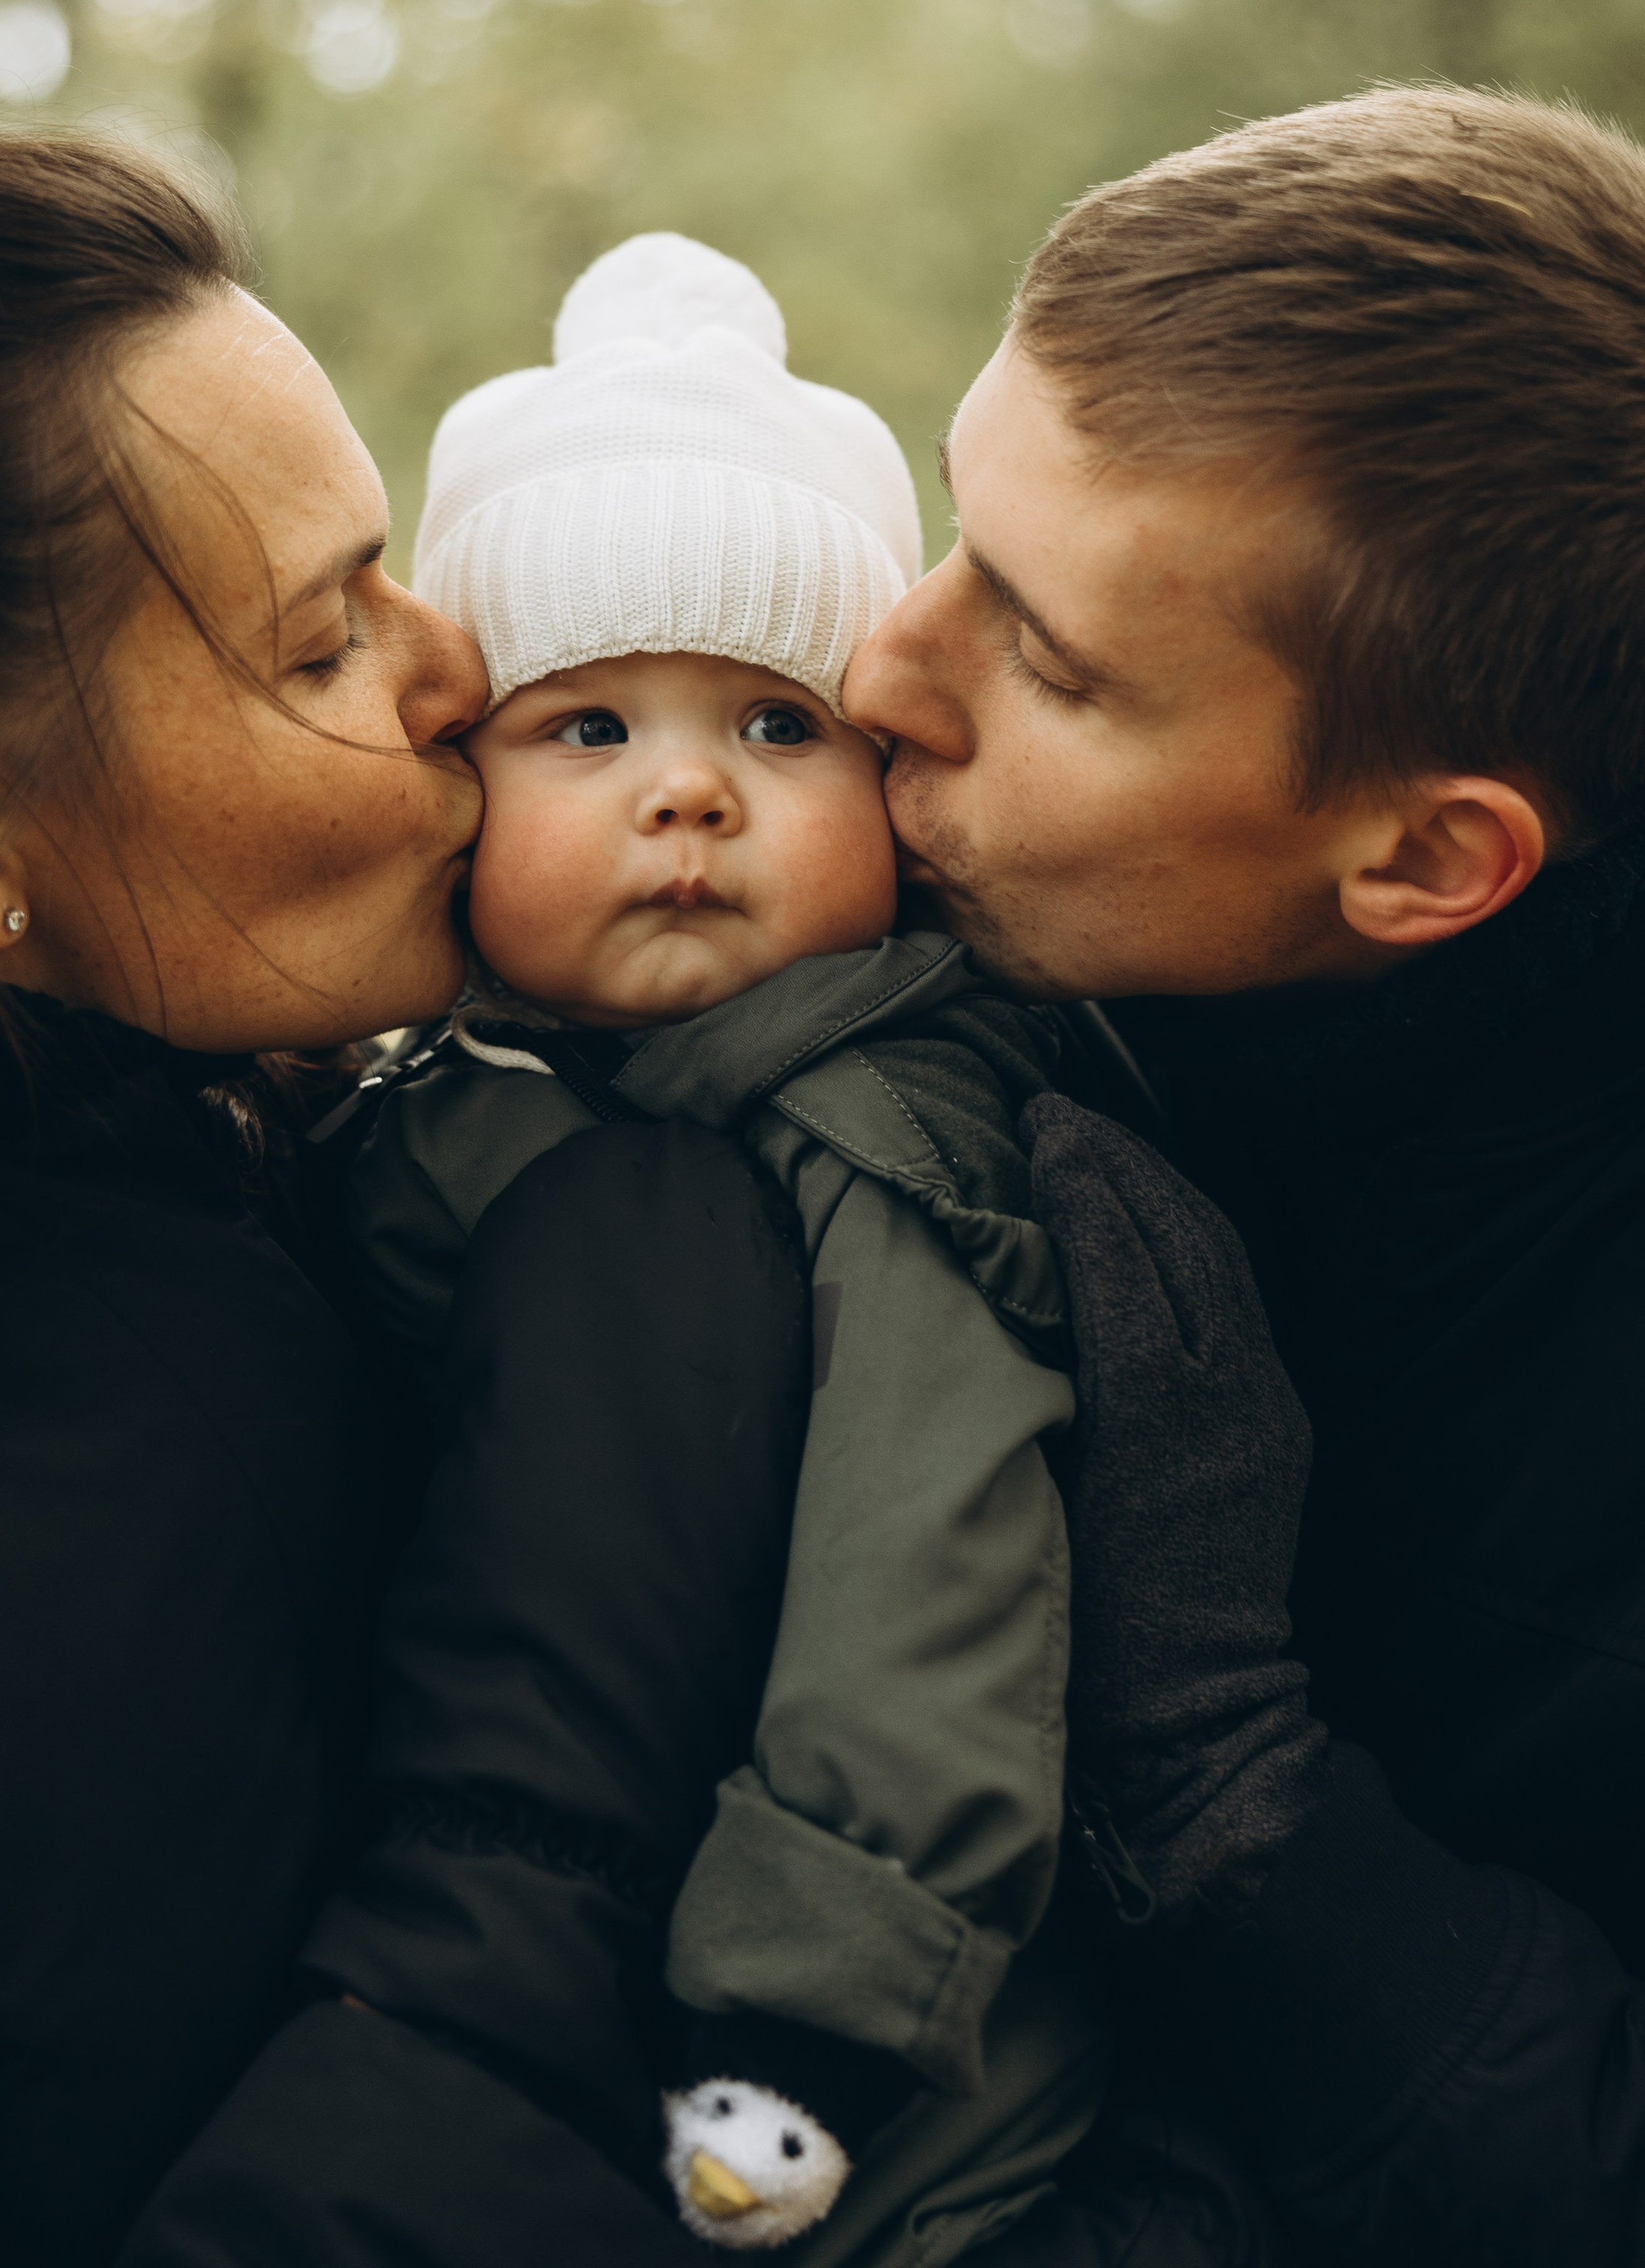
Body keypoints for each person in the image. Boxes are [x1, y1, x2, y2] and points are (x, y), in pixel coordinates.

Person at [0, 126, 817, 2268]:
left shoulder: (224, 1167)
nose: (455, 677)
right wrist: (576, 1728)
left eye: (393, 568)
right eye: (322, 646)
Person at [843, 83, 1645, 2266]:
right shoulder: (1003, 956)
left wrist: (1224, 1786)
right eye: (952, 530)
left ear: (1422, 855)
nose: (877, 671)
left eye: (1047, 651)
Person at [335, 233, 1111, 2252]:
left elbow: (930, 1569)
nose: (688, 792)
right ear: (455, 792)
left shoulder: (882, 1137)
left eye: (778, 729)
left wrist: (820, 2017)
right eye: (586, 731)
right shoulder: (414, 1116)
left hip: (864, 2093)